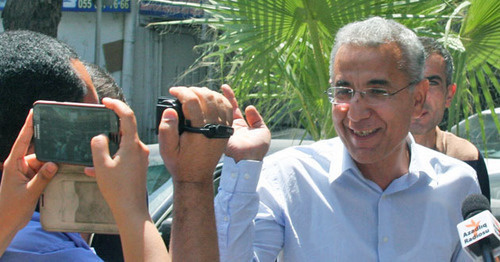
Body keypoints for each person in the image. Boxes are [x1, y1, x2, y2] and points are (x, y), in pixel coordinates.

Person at [214, 17, 480, 261]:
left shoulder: (458, 185)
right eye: (343, 91)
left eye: (376, 91)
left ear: (417, 99)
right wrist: (242, 163)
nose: (356, 112)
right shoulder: (289, 178)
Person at [0, 30, 102, 261]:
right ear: (30, 151)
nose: (100, 145)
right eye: (90, 127)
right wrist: (190, 181)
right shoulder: (57, 254)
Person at [410, 36, 490, 200]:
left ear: (449, 95)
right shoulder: (368, 159)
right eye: (411, 82)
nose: (420, 96)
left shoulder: (467, 159)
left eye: (432, 83)